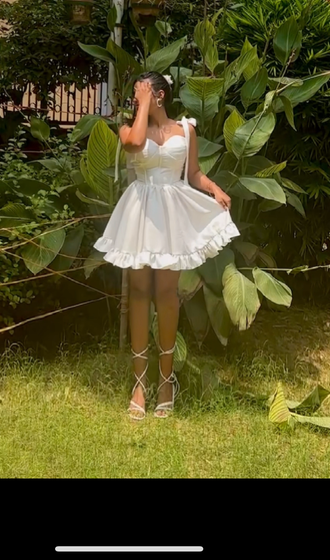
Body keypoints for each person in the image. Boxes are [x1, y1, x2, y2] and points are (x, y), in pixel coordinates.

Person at [94, 72, 239, 419]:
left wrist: (213, 187)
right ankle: (139, 383)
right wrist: (142, 106)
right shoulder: (128, 128)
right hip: (140, 211)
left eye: (141, 93)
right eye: (134, 95)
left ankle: (166, 380)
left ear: (160, 95)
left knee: (167, 294)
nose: (134, 99)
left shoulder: (186, 129)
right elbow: (134, 144)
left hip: (172, 214)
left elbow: (192, 174)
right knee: (140, 292)